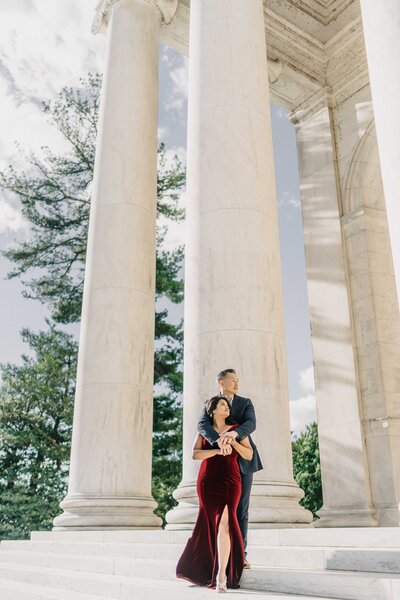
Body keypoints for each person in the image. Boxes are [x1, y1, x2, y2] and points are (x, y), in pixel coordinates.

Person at [176, 395, 253, 592]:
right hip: (208, 481)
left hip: (231, 480)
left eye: (227, 405)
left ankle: (221, 576)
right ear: (212, 410)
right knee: (209, 523)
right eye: (222, 404)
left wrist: (232, 441)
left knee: (226, 524)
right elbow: (195, 454)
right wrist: (218, 450)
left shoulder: (237, 429)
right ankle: (203, 567)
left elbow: (248, 454)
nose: (226, 407)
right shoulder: (205, 430)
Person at [198, 369, 263, 568]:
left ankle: (241, 554)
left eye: (237, 380)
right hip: (219, 466)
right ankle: (215, 554)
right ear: (221, 382)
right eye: (232, 380)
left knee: (241, 510)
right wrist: (219, 441)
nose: (236, 383)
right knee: (216, 511)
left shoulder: (245, 403)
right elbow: (202, 424)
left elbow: (251, 423)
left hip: (243, 462)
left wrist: (234, 435)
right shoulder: (211, 403)